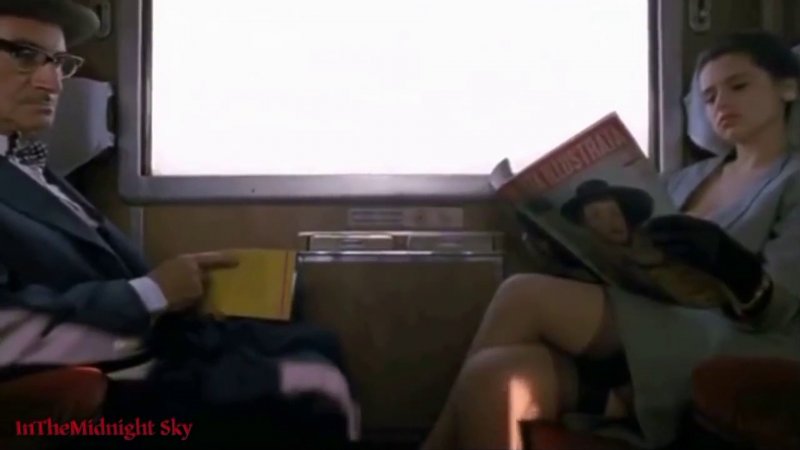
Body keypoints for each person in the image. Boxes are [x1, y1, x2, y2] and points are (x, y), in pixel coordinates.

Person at [421, 30, 800, 450]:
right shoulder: (686, 179)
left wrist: (730, 263)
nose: (721, 103)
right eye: (709, 97)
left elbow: (780, 311)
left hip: (736, 338)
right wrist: (567, 249)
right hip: (654, 320)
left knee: (521, 293)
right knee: (493, 374)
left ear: (788, 88)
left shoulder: (793, 180)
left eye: (739, 86)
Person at [0, 2, 356, 448]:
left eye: (58, 63)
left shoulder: (25, 165)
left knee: (316, 344)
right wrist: (152, 293)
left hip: (134, 343)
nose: (52, 83)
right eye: (25, 55)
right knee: (314, 386)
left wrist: (180, 291)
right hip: (81, 382)